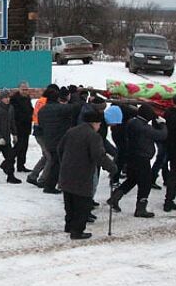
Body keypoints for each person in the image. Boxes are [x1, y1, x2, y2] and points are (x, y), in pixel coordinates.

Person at [58, 110, 117, 239]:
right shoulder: (93, 136)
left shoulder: (71, 131)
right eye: (99, 124)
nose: (99, 126)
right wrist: (111, 167)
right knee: (82, 203)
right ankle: (77, 231)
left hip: (66, 171)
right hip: (82, 174)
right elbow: (99, 155)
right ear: (95, 123)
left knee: (69, 201)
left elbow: (60, 148)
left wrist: (64, 163)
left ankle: (69, 226)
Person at [107, 104, 167, 218]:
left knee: (133, 179)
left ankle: (115, 197)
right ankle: (141, 208)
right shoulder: (143, 127)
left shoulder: (132, 122)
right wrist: (162, 124)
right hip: (142, 158)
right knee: (145, 183)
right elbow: (162, 135)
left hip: (131, 156)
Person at [36, 87, 82, 194]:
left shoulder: (42, 110)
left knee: (54, 162)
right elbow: (76, 107)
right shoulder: (60, 108)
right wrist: (75, 95)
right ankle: (50, 186)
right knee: (57, 164)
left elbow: (41, 125)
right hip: (60, 140)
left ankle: (49, 184)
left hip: (48, 139)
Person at [0, 88, 21, 183]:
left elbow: (12, 122)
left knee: (10, 158)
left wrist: (14, 134)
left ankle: (10, 176)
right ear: (1, 98)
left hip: (7, 139)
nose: (7, 99)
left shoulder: (10, 108)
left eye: (8, 97)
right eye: (5, 97)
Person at [26, 85, 55, 187]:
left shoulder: (40, 100)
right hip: (42, 132)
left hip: (38, 131)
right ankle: (42, 180)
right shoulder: (46, 103)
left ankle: (33, 176)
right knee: (50, 157)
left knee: (46, 156)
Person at [10, 81, 33, 172]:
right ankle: (8, 163)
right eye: (23, 89)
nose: (25, 91)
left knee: (24, 147)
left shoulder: (27, 98)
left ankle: (21, 165)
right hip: (18, 127)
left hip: (26, 126)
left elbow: (30, 109)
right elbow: (16, 114)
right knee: (18, 147)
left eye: (26, 89)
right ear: (19, 89)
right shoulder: (14, 99)